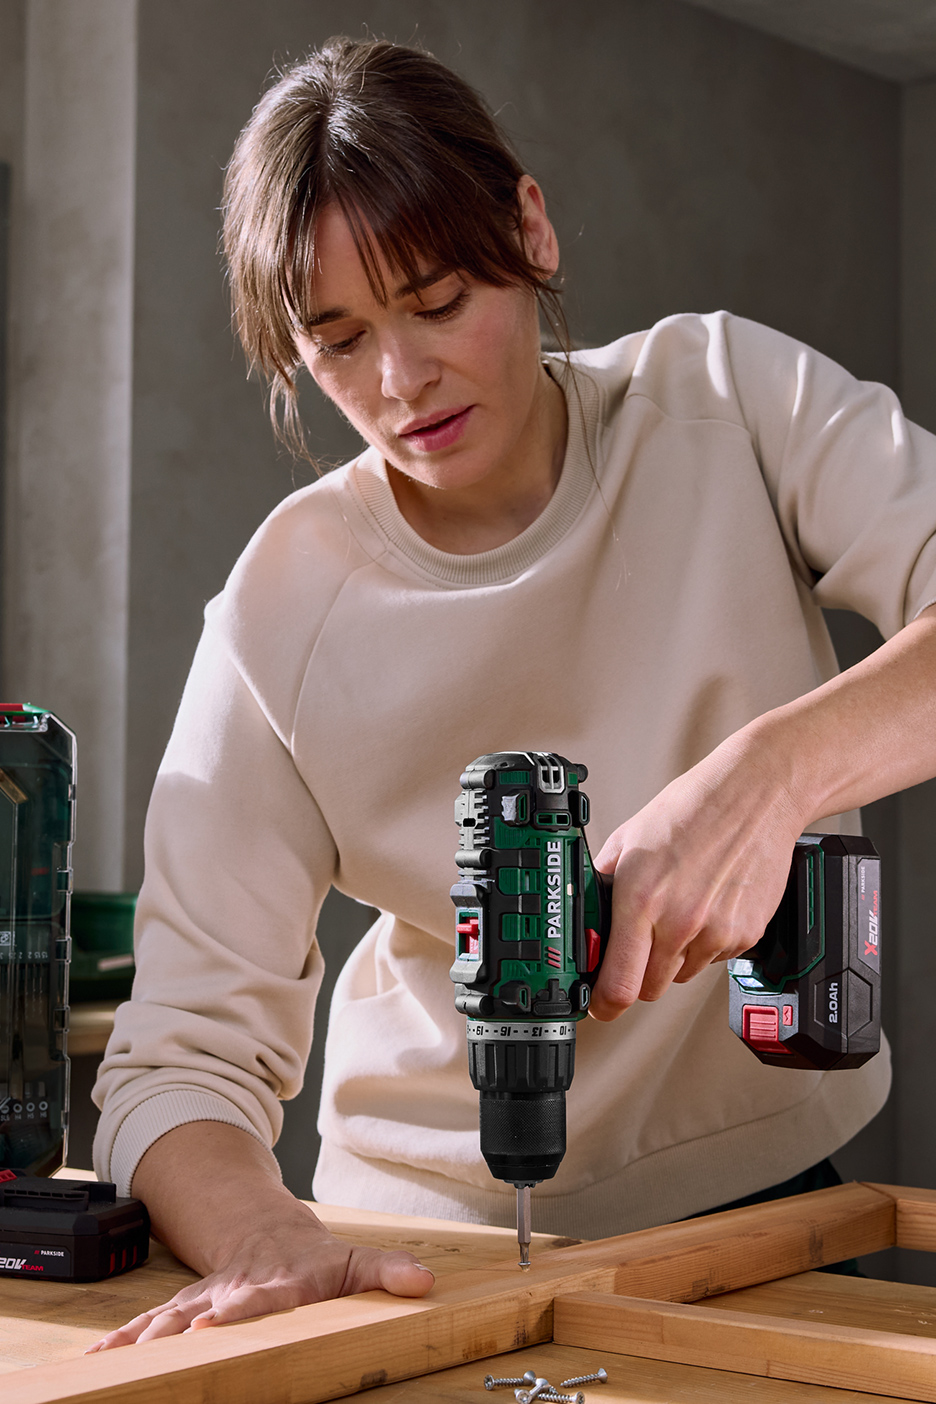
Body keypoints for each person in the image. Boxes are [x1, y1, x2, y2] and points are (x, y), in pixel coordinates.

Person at [89, 37, 936, 1349]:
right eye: (339, 340)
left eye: (435, 301)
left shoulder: (724, 400)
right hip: (425, 1243)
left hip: (762, 1205)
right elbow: (178, 1060)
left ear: (528, 229)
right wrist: (267, 1234)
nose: (399, 381)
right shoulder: (279, 611)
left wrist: (770, 780)